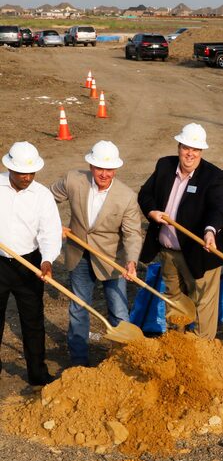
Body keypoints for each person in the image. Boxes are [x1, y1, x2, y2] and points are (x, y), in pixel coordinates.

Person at [51, 141, 143, 366]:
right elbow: (45, 200)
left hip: (112, 261)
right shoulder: (74, 180)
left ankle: (123, 358)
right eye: (99, 168)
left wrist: (131, 261)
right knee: (78, 309)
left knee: (119, 310)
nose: (104, 174)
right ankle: (79, 362)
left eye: (109, 169)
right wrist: (54, 224)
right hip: (78, 254)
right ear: (91, 166)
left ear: (116, 169)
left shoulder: (126, 197)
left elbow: (133, 234)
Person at [138, 123, 223, 340]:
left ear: (201, 151)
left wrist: (210, 231)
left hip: (200, 252)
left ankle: (202, 349)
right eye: (186, 147)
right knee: (174, 299)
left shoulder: (212, 176)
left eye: (195, 149)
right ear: (179, 146)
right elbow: (145, 193)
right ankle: (177, 345)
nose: (190, 153)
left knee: (202, 303)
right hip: (169, 252)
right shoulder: (164, 166)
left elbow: (218, 208)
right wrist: (152, 211)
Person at [0, 142, 61, 386]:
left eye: (31, 172)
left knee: (33, 321)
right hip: (0, 263)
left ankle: (38, 374)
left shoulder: (43, 195)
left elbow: (50, 232)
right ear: (9, 168)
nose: (26, 177)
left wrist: (47, 260)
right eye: (21, 172)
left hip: (30, 263)